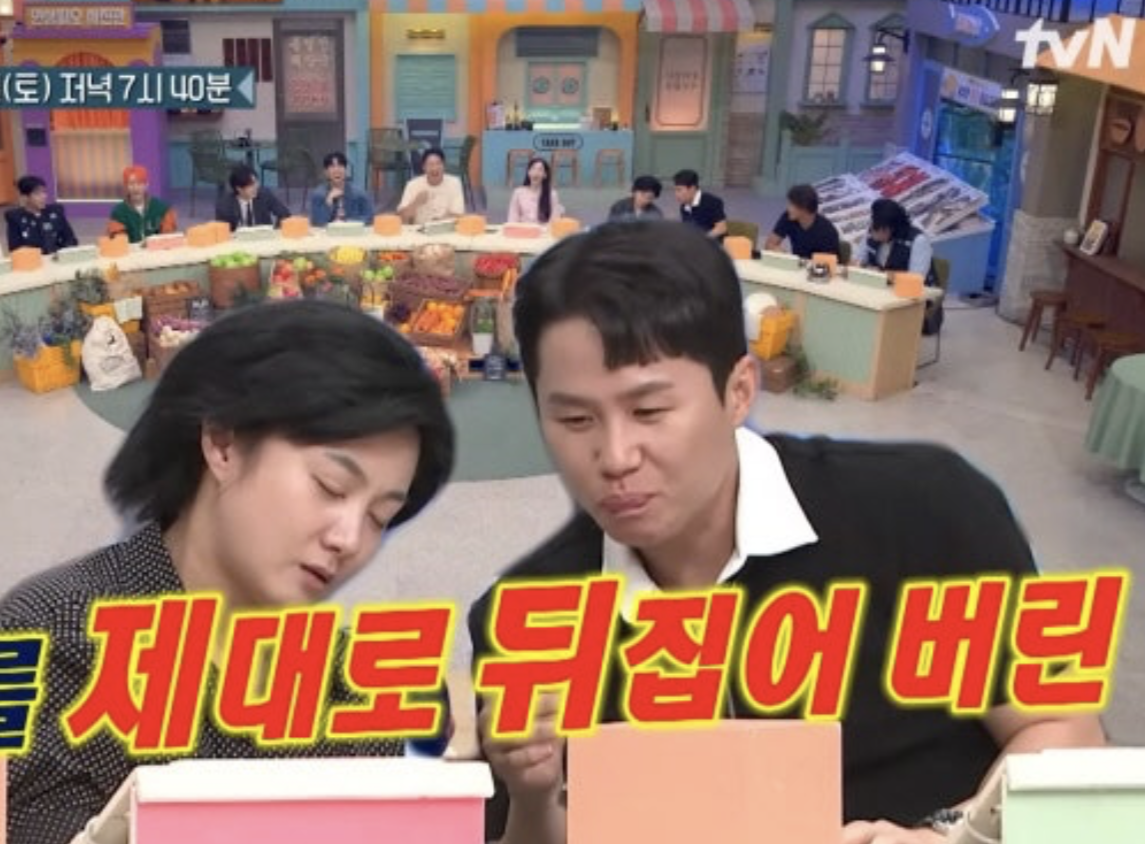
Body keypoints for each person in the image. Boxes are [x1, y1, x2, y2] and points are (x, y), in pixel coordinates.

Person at [468, 220, 1105, 844]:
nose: (614, 457)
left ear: (739, 391)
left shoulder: (926, 510)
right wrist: (533, 796)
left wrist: (948, 836)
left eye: (650, 410)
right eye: (575, 420)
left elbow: (1062, 731)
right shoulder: (528, 618)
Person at [0, 299, 457, 844]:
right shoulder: (49, 642)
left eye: (379, 517)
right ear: (224, 443)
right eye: (330, 486)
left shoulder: (354, 689)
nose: (348, 539)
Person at [764, 183, 842, 259]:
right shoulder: (788, 217)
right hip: (797, 264)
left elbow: (830, 263)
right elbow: (769, 244)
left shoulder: (827, 231)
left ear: (804, 208)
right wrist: (781, 253)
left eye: (791, 204)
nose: (788, 208)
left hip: (818, 266)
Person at [4, 175, 79, 254]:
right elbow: (15, 249)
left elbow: (71, 240)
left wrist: (62, 252)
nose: (43, 196)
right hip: (34, 259)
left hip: (58, 257)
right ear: (25, 197)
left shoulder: (55, 212)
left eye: (44, 192)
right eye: (37, 194)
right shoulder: (15, 218)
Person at [862, 198, 934, 277]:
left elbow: (916, 278)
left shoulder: (918, 240)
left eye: (880, 229)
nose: (872, 231)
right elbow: (859, 261)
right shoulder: (873, 230)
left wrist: (881, 274)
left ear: (890, 229)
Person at [107, 165, 177, 242]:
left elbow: (168, 237)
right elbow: (119, 241)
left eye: (140, 183)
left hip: (156, 248)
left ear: (146, 185)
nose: (135, 188)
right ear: (126, 187)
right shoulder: (119, 212)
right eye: (131, 184)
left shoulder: (162, 208)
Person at [397, 147, 465, 226]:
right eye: (430, 164)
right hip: (419, 229)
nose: (434, 168)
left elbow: (458, 215)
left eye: (438, 163)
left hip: (445, 228)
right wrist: (416, 202)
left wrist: (437, 223)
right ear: (424, 167)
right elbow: (401, 218)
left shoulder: (454, 183)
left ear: (444, 166)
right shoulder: (412, 185)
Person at [215, 163, 292, 231]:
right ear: (239, 188)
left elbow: (285, 214)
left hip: (264, 238)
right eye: (251, 185)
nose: (256, 187)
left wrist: (276, 231)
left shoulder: (264, 194)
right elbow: (222, 230)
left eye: (256, 182)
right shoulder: (225, 205)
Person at [308, 152, 375, 226]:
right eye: (332, 167)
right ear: (326, 172)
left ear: (345, 170)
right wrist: (329, 200)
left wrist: (346, 223)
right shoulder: (318, 194)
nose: (337, 170)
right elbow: (317, 222)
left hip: (352, 232)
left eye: (340, 166)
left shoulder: (359, 193)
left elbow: (369, 218)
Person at [507, 157, 564, 225]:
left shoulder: (552, 194)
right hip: (522, 229)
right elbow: (512, 219)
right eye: (533, 168)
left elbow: (554, 222)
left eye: (540, 170)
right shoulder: (518, 192)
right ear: (528, 172)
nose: (536, 172)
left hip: (543, 230)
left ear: (545, 175)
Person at [672, 169, 727, 239]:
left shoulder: (713, 202)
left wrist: (701, 239)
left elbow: (721, 229)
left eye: (679, 190)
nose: (676, 194)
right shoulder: (684, 205)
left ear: (692, 188)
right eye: (675, 190)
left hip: (713, 242)